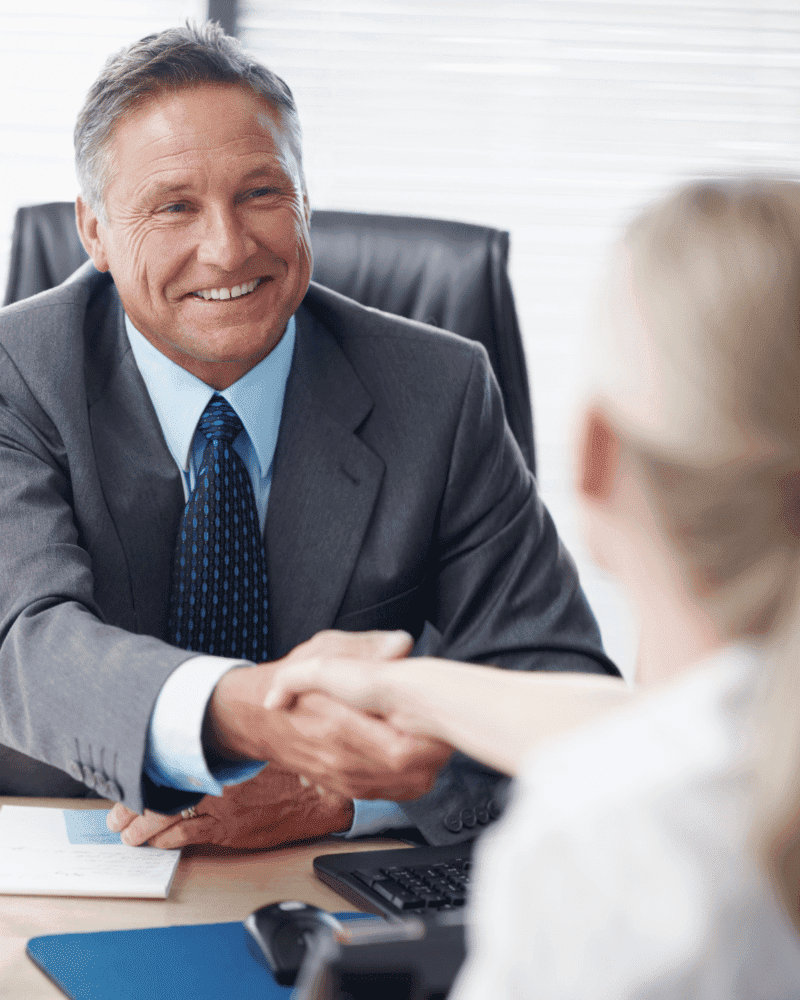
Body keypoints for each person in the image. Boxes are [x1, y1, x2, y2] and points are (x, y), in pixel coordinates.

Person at [0, 20, 617, 852]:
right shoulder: (18, 375)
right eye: (174, 207)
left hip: (329, 872)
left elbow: (562, 695)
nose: (226, 247)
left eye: (260, 193)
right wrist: (247, 718)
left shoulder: (440, 391)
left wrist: (342, 795)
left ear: (303, 199)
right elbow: (28, 642)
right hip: (68, 852)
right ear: (94, 231)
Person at [266, 179, 800, 995]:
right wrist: (389, 686)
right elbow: (678, 727)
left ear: (597, 460)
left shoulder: (610, 842)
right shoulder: (733, 756)